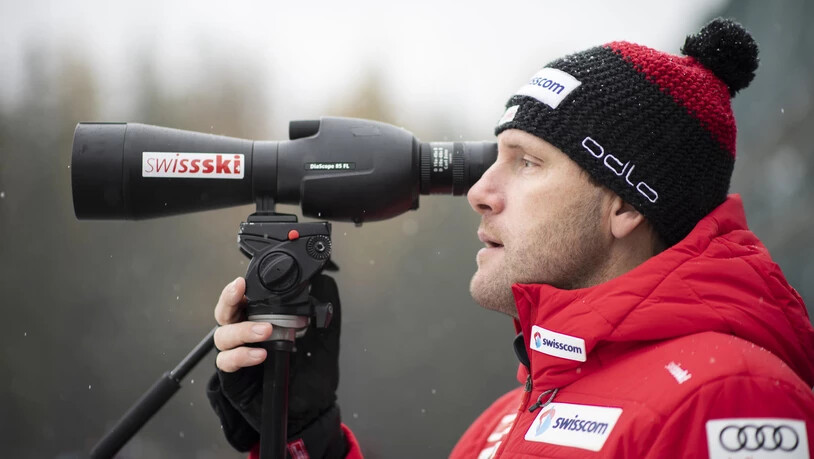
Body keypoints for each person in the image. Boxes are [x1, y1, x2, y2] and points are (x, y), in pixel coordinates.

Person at [207, 18, 814, 458]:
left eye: (526, 163)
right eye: (494, 157)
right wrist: (304, 437)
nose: (479, 191)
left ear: (626, 205)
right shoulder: (511, 415)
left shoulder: (730, 400)